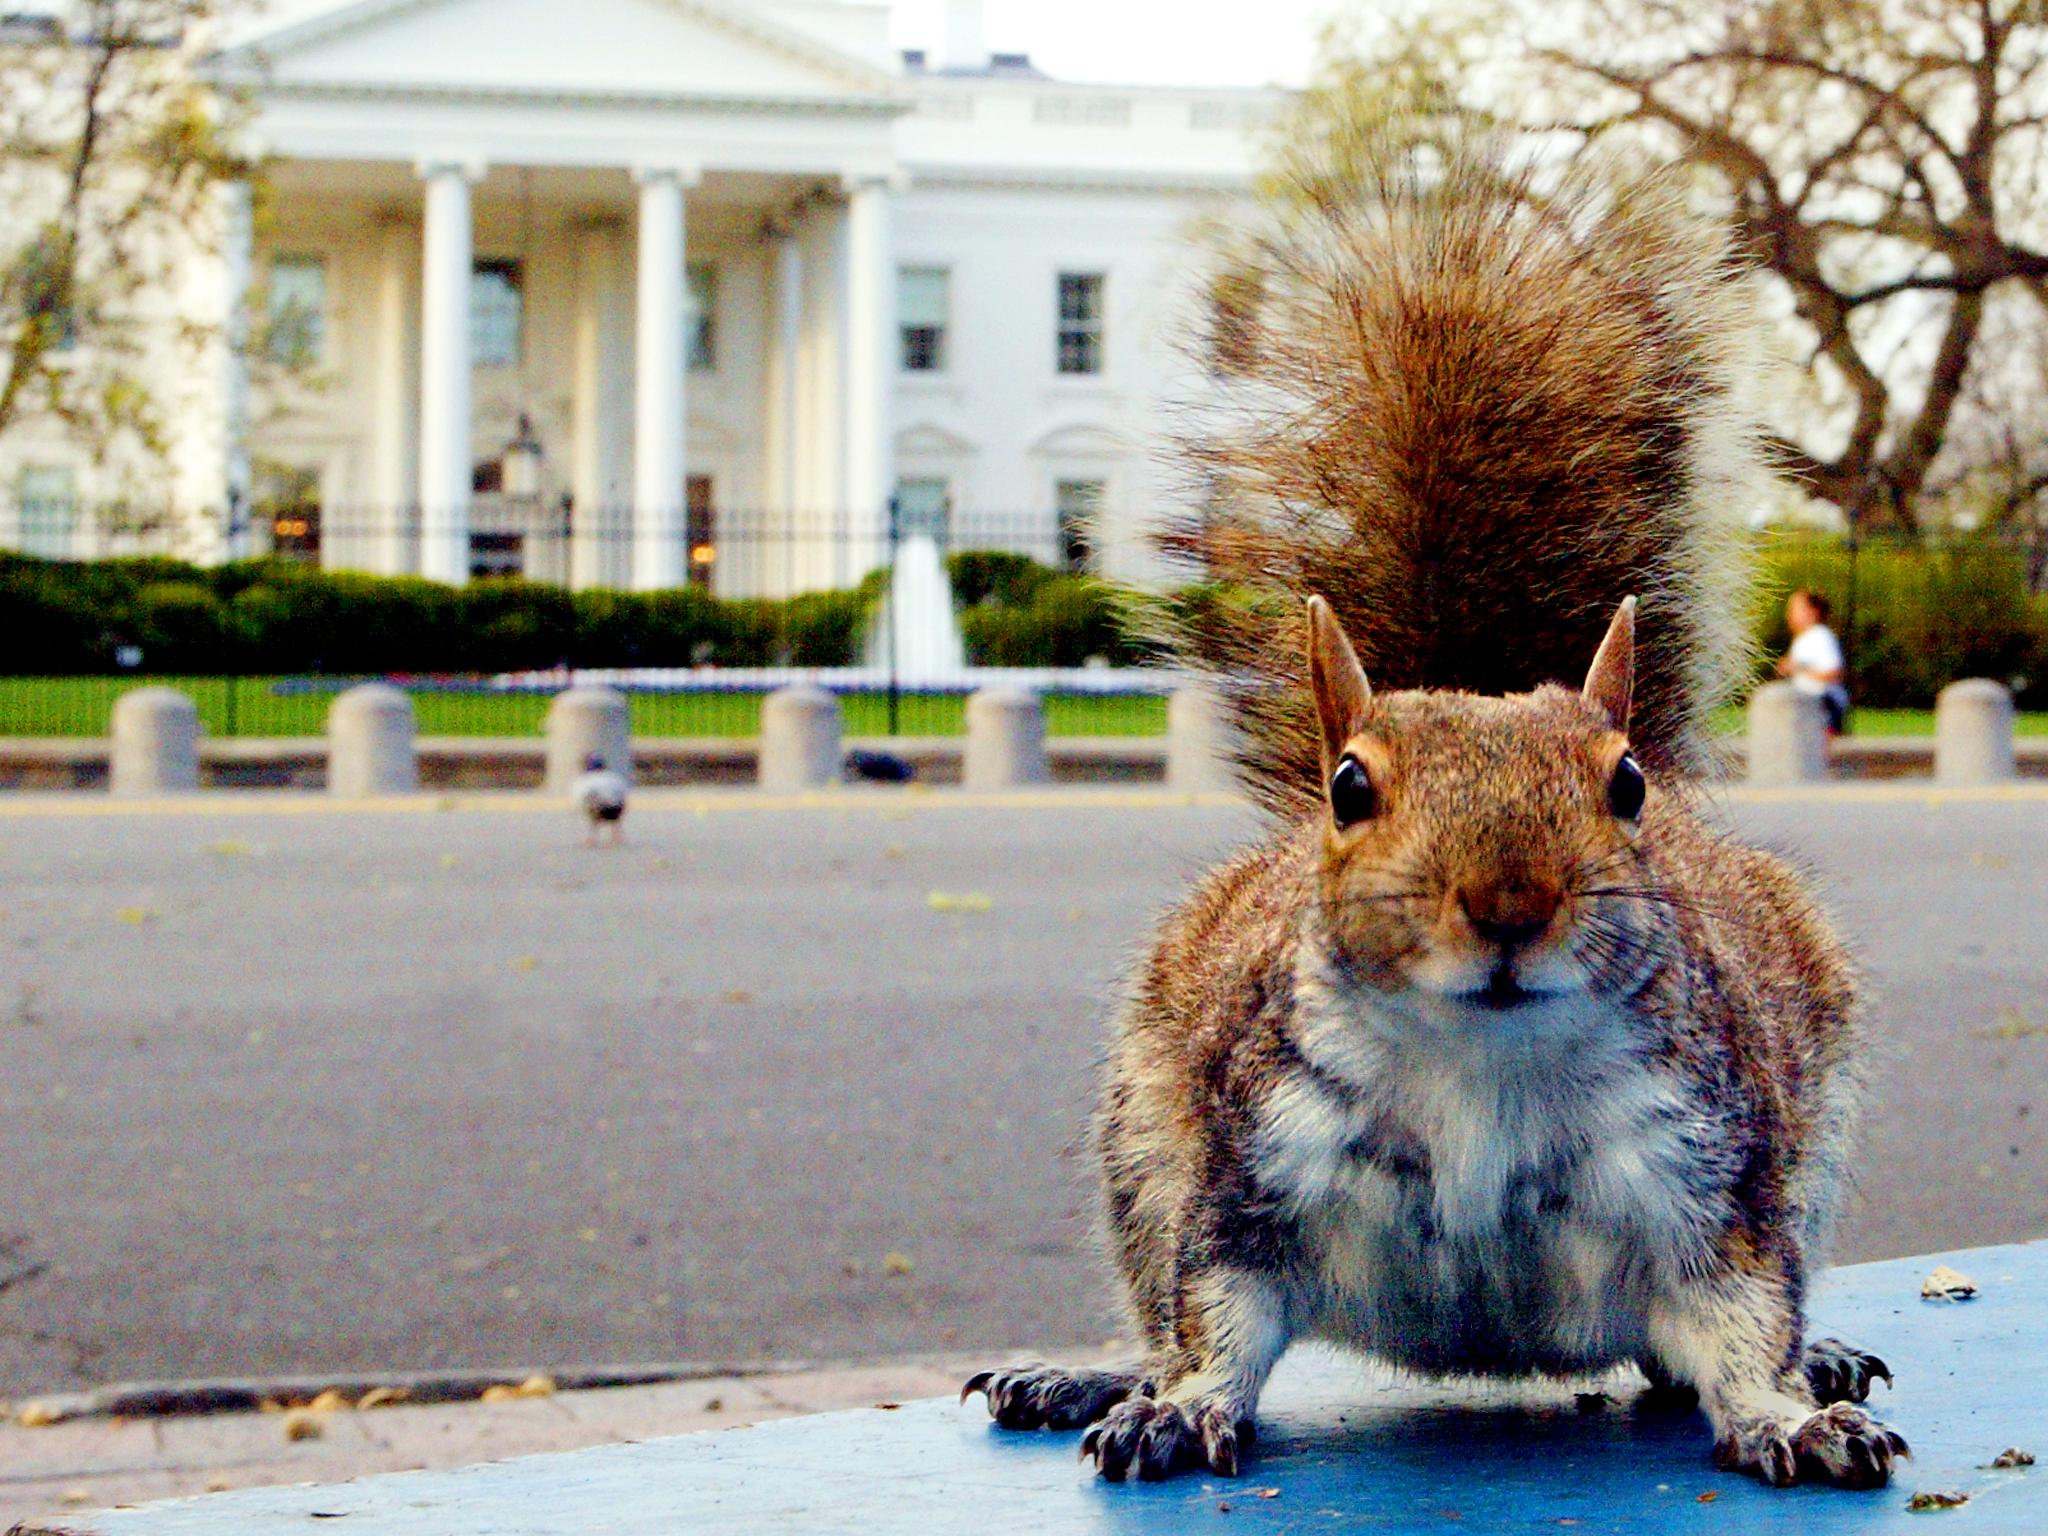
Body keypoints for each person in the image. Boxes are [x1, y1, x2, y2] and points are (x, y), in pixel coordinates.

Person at [1777, 589, 1850, 734]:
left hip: (1823, 706)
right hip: (1807, 705)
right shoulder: (1803, 638)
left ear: (1813, 611)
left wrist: (1798, 668)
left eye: (1796, 609)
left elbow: (1835, 672)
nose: (1790, 614)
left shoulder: (1821, 636)